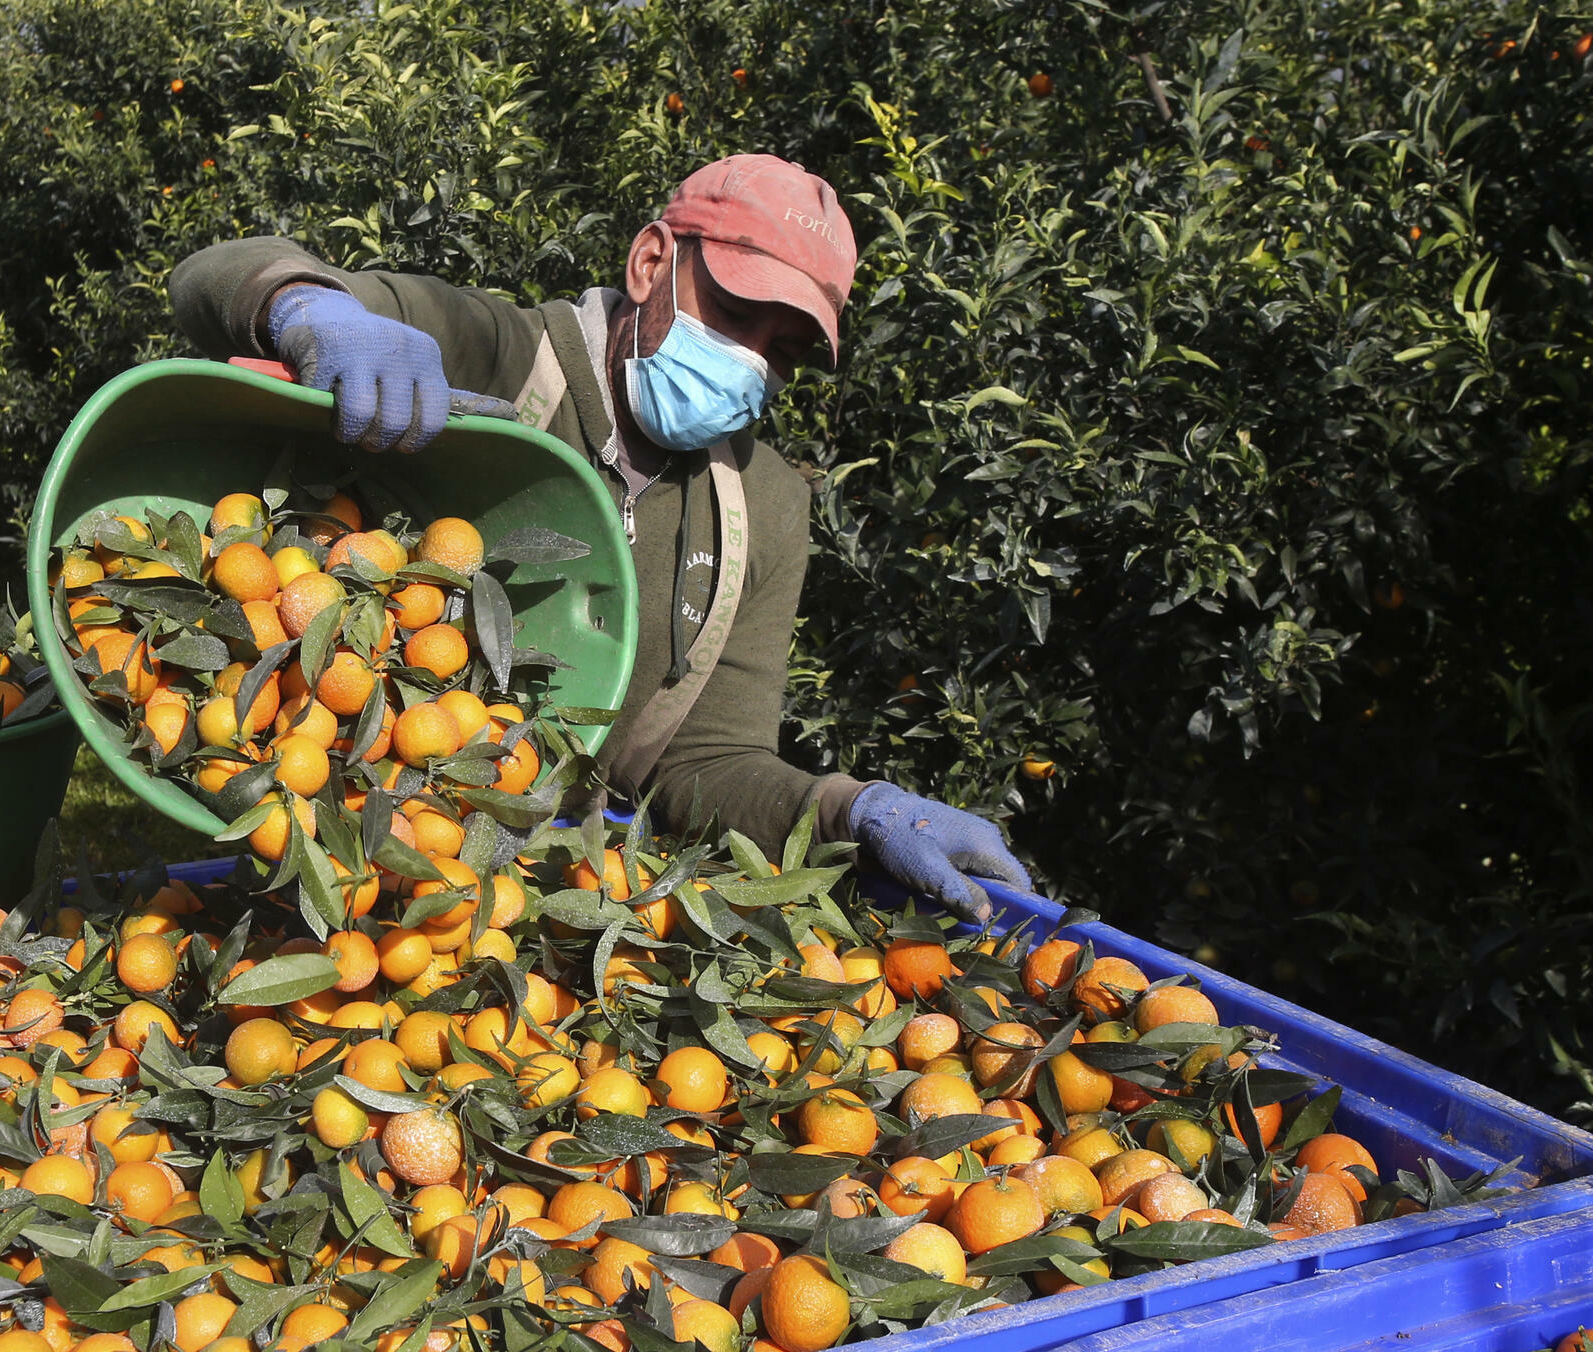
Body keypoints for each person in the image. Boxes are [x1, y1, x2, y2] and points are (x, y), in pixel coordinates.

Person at [169, 153, 1032, 919]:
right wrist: (312, 310)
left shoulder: (763, 505)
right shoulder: (501, 354)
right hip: (309, 847)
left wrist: (852, 807)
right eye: (737, 312)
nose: (753, 363)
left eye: (786, 348)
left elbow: (708, 764)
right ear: (654, 261)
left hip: (530, 909)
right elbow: (216, 274)